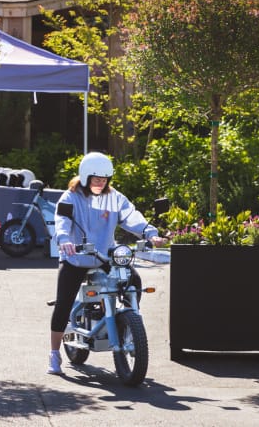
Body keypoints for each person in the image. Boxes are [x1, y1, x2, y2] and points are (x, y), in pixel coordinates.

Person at [46, 151, 164, 375]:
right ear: (85, 177)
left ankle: (126, 323)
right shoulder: (70, 198)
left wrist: (151, 233)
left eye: (104, 180)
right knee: (64, 303)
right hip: (76, 257)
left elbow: (131, 216)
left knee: (133, 280)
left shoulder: (115, 197)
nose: (101, 183)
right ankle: (54, 354)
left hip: (104, 256)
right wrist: (64, 240)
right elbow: (61, 221)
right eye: (96, 179)